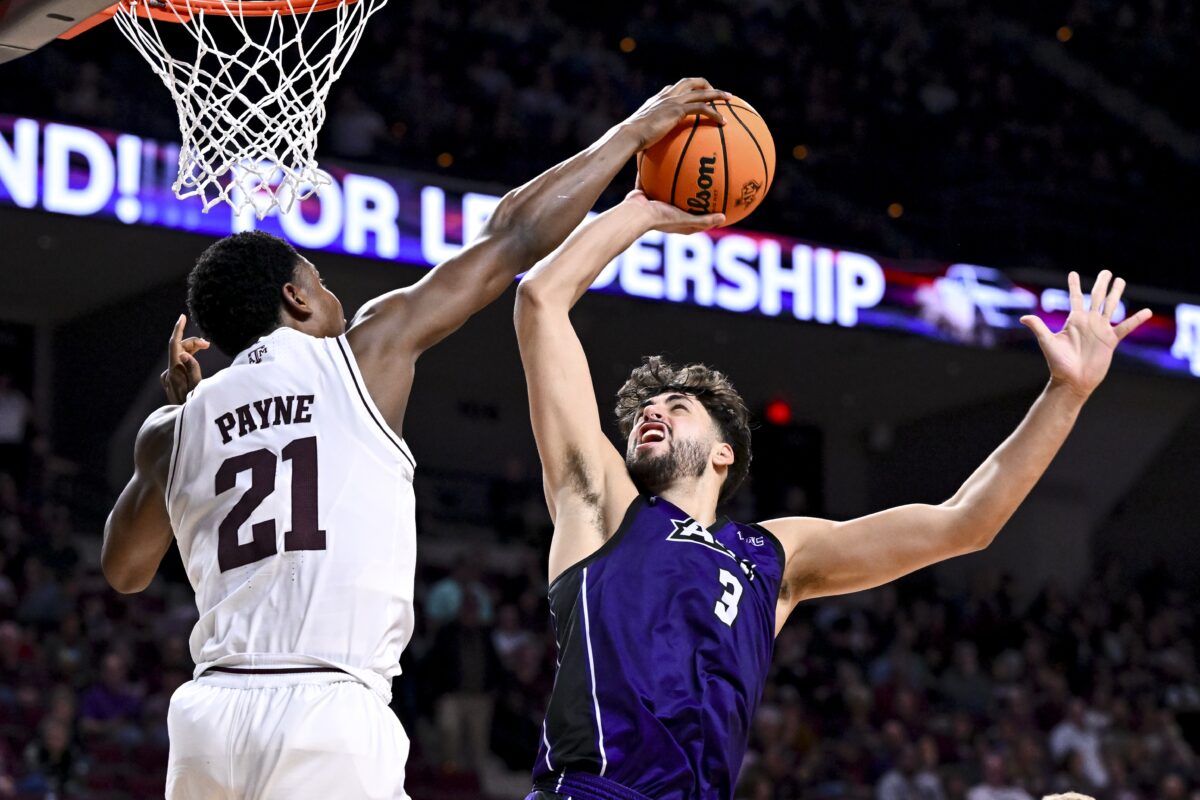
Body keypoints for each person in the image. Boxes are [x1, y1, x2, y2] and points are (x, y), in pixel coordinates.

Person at [101, 78, 730, 800]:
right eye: (323, 281)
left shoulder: (169, 431)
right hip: (328, 711)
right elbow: (514, 236)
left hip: (208, 718)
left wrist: (189, 425)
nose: (334, 296)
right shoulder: (361, 354)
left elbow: (126, 571)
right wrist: (634, 133)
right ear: (297, 299)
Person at [512, 185, 1151, 800]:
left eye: (676, 406)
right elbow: (541, 298)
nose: (652, 413)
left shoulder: (773, 556)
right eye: (645, 410)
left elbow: (965, 522)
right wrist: (641, 210)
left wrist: (1064, 397)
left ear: (722, 452)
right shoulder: (601, 503)